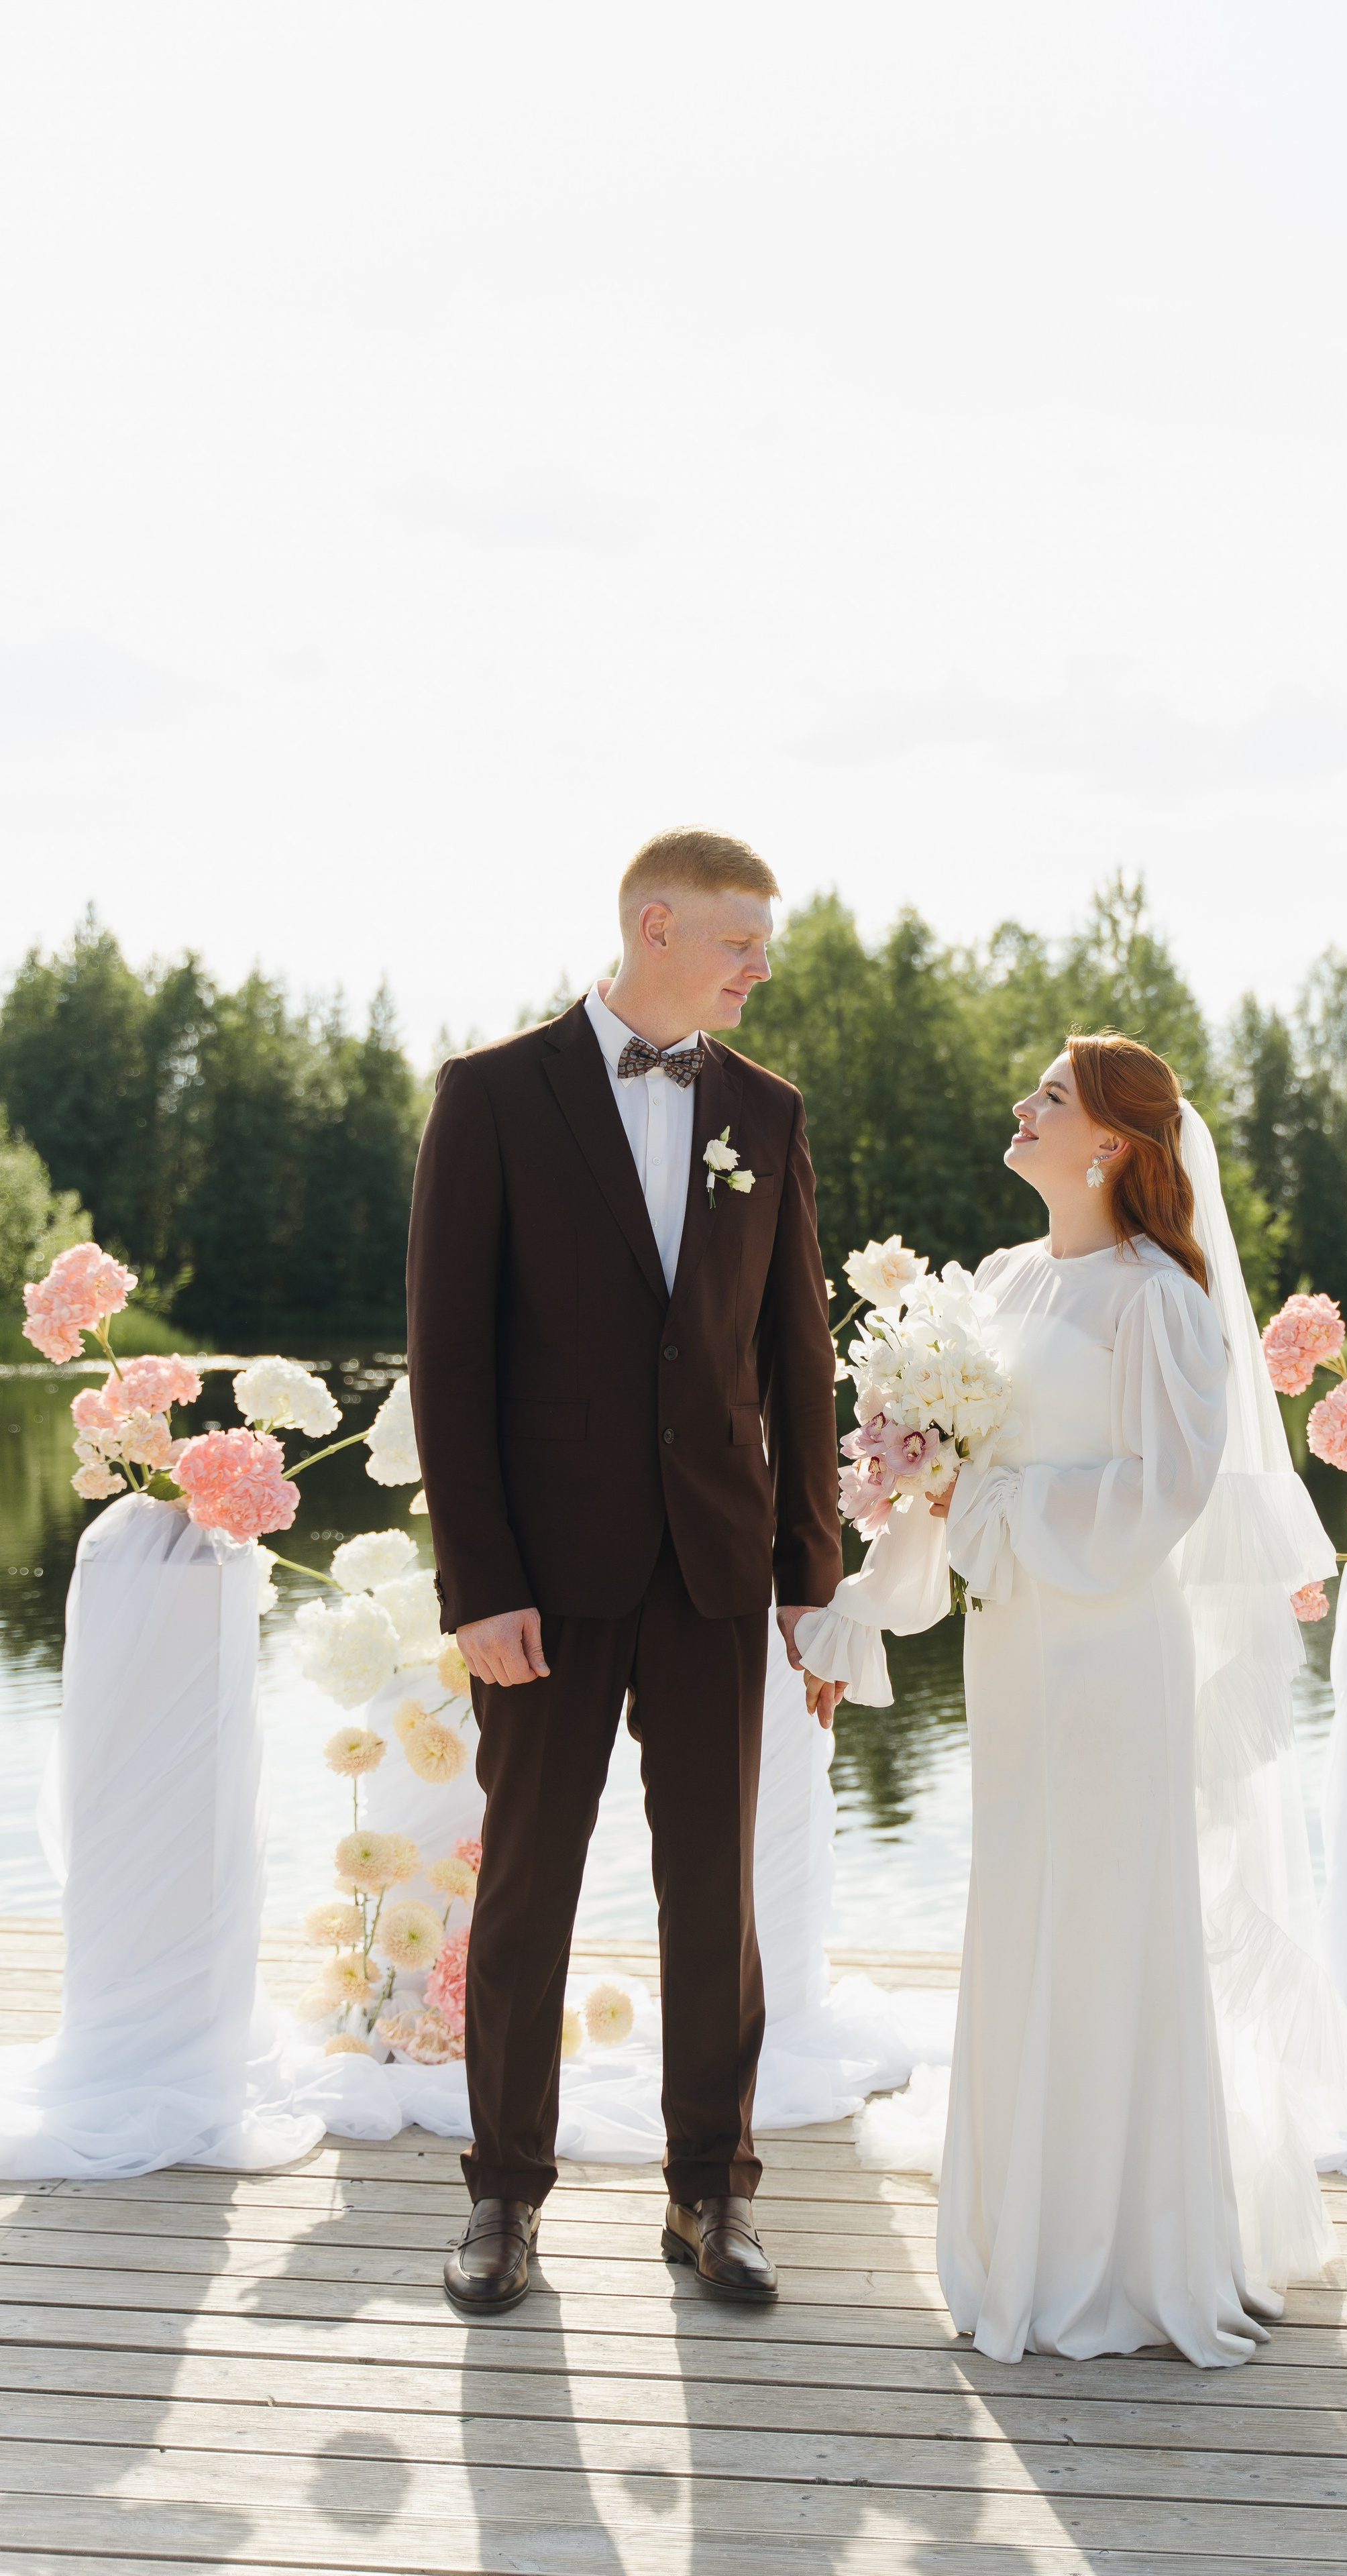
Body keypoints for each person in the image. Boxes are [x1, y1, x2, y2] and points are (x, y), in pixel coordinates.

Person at [796, 1032, 1347, 2365]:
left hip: (1111, 1658)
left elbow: (1160, 1492)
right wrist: (860, 1610)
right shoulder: (998, 1280)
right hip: (1011, 1653)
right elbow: (935, 1464)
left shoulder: (1154, 1299)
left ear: (1110, 1142)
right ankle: (1021, 2232)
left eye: (1047, 1097)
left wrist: (976, 1497)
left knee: (1108, 1917)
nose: (1021, 1104)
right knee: (1019, 1904)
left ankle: (1119, 2253)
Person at [407, 827, 844, 2314]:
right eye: (737, 939)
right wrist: (479, 1582)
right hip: (544, 1573)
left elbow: (797, 1357)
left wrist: (811, 1570)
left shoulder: (766, 1113)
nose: (757, 966)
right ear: (654, 926)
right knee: (527, 1888)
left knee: (711, 1893)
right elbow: (448, 1363)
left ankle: (709, 2194)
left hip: (715, 1565)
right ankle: (503, 2203)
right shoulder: (489, 1095)